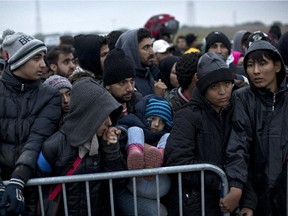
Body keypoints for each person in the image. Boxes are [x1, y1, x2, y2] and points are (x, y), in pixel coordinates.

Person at [36, 77, 126, 215]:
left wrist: (111, 150)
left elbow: (119, 184)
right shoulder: (53, 146)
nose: (109, 123)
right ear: (89, 115)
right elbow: (36, 191)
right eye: (104, 116)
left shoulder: (104, 143)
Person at [221, 40, 288, 216]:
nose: (256, 71)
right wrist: (237, 187)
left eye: (263, 63)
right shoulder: (242, 98)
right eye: (250, 65)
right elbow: (238, 144)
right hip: (256, 191)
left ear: (278, 66)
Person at [164, 52, 234, 215]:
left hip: (226, 201)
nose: (223, 91)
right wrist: (220, 179)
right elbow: (177, 163)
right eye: (214, 86)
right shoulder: (187, 116)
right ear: (203, 88)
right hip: (195, 204)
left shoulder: (235, 110)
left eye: (226, 83)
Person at [0, 32, 62, 215]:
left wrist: (18, 180)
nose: (43, 64)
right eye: (36, 58)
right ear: (19, 60)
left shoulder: (50, 95)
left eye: (43, 57)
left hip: (34, 184)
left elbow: (37, 138)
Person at [117, 94, 173, 210]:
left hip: (158, 183)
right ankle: (135, 152)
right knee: (134, 130)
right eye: (152, 119)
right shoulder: (133, 122)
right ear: (145, 116)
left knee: (169, 136)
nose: (156, 124)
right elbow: (121, 130)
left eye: (162, 121)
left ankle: (159, 156)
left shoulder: (165, 134)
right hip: (134, 179)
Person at [115, 28, 166, 97]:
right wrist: (157, 98)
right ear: (132, 52)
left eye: (151, 46)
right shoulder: (124, 83)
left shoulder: (148, 74)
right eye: (146, 47)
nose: (152, 52)